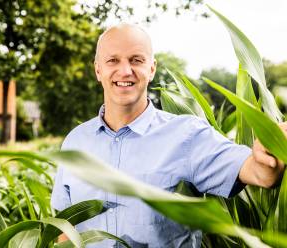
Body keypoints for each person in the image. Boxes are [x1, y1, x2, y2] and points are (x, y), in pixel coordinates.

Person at [51, 23, 286, 247]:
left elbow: (259, 172)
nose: (125, 70)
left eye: (136, 60)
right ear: (98, 69)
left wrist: (269, 151)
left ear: (151, 69)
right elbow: (65, 228)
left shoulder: (186, 135)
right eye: (113, 60)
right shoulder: (75, 142)